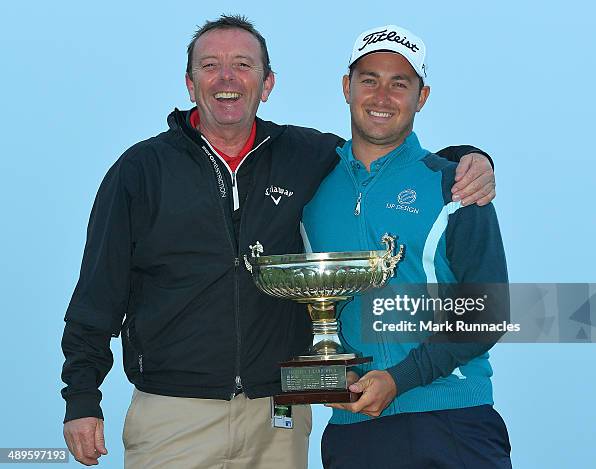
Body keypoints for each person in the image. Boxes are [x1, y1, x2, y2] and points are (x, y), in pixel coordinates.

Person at [61, 16, 497, 468]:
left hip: (283, 415)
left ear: (267, 83)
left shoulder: (305, 156)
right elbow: (97, 293)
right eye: (211, 65)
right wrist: (81, 396)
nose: (227, 78)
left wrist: (467, 161)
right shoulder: (140, 172)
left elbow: (388, 155)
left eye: (243, 65)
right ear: (190, 84)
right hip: (176, 413)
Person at [302, 25, 512, 468]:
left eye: (400, 83)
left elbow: (490, 313)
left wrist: (400, 379)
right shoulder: (311, 192)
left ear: (422, 96)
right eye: (370, 79)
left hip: (452, 421)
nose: (382, 96)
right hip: (351, 431)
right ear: (347, 87)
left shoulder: (455, 184)